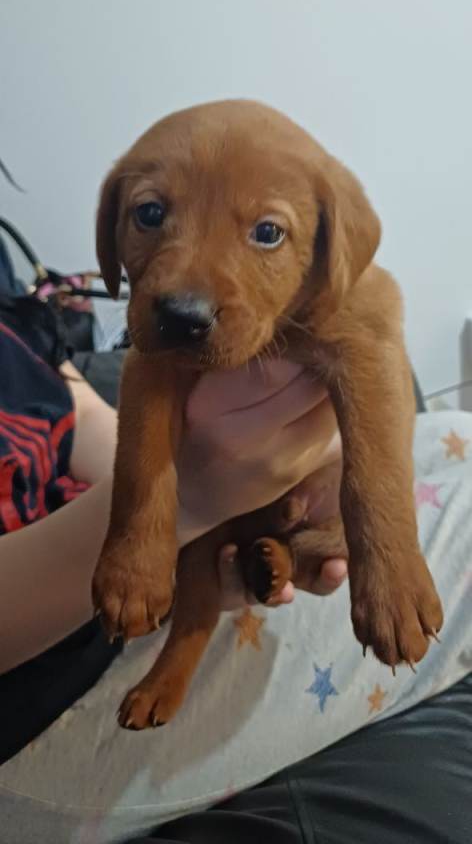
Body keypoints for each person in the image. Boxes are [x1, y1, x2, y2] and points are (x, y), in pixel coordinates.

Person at [0, 242, 471, 844]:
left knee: (454, 433)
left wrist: (234, 478)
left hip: (120, 552)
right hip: (46, 686)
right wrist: (179, 505)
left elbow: (79, 415)